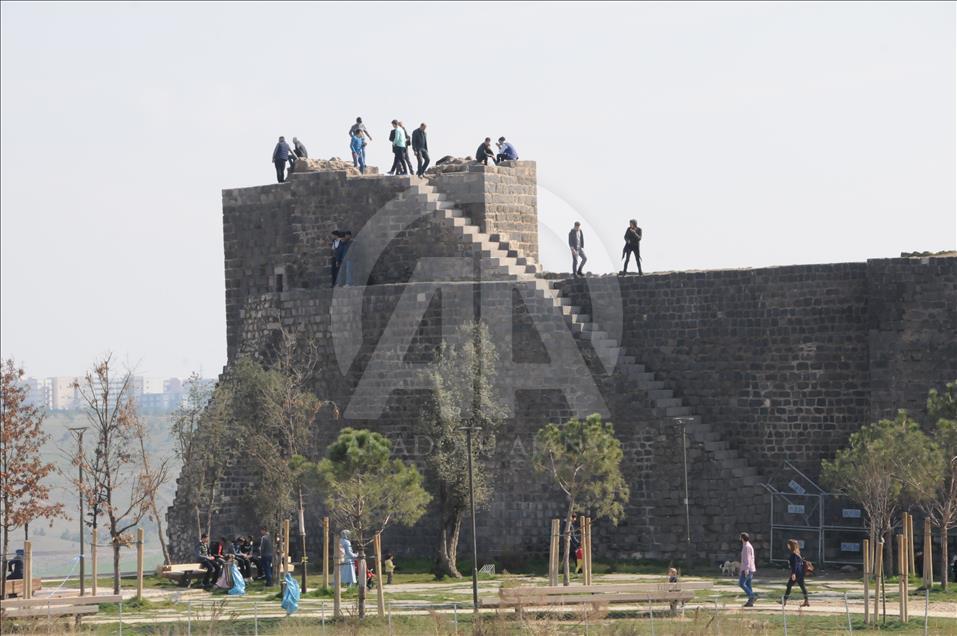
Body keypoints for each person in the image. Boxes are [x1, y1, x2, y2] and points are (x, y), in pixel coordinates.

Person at [782, 538, 810, 607]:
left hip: (796, 573)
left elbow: (795, 565)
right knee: (802, 586)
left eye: (788, 544)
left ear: (790, 545)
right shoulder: (797, 553)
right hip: (800, 573)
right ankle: (806, 601)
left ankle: (784, 600)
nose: (787, 545)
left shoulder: (793, 555)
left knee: (789, 586)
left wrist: (794, 574)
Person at [739, 532, 757, 607]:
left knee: (741, 583)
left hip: (747, 569)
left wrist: (746, 569)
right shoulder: (746, 545)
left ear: (742, 538)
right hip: (749, 568)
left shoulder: (747, 546)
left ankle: (752, 596)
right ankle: (751, 601)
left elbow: (748, 559)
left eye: (740, 537)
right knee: (748, 585)